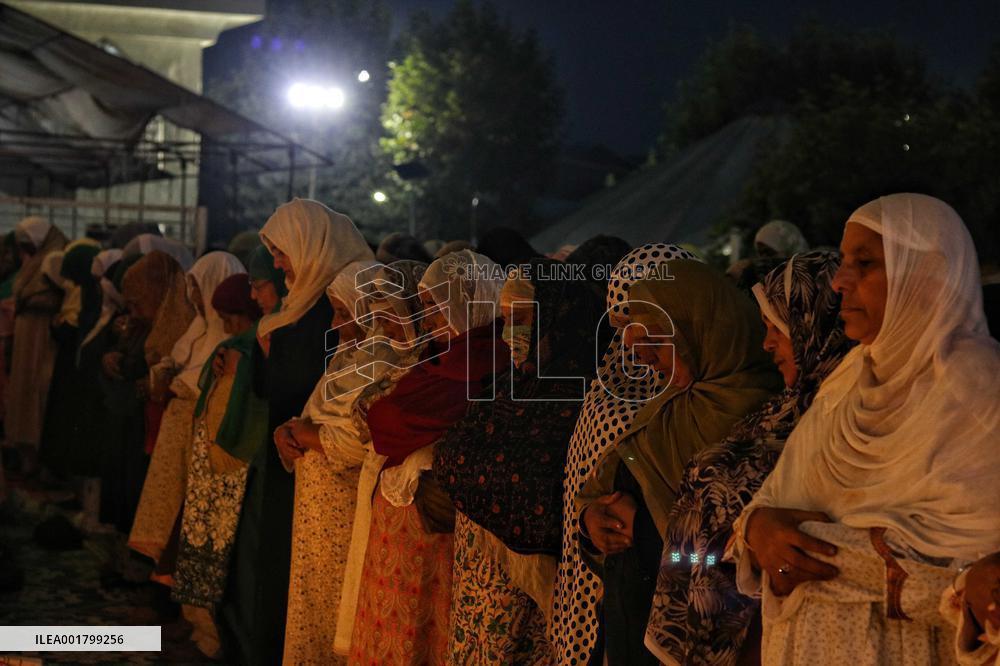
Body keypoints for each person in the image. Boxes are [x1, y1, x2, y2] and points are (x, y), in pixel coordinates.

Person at [731, 194, 1000, 664]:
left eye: (866, 263)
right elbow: (773, 502)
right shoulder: (850, 381)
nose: (839, 282)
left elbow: (980, 569)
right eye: (844, 263)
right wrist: (759, 528)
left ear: (928, 276)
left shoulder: (977, 390)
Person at [643, 251, 852, 665]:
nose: (767, 342)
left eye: (777, 327)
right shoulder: (780, 410)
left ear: (812, 323)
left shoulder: (845, 412)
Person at [576, 259, 782, 665]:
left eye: (655, 339)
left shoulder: (763, 417)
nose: (646, 358)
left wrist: (644, 533)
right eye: (637, 346)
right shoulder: (667, 406)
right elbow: (606, 481)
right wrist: (589, 521)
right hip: (631, 622)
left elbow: (732, 553)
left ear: (700, 326)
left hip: (693, 636)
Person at [220, 199, 373, 666]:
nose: (279, 262)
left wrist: (275, 344)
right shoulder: (300, 306)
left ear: (310, 246)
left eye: (282, 251)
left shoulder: (345, 302)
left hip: (326, 474)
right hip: (293, 467)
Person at [434, 257, 607, 664]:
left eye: (524, 319)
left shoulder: (577, 394)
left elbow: (538, 492)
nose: (510, 335)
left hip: (535, 609)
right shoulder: (511, 383)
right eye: (506, 320)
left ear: (559, 319)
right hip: (480, 595)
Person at [349, 251, 507, 665]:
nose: (433, 319)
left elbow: (391, 418)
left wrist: (387, 413)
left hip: (430, 532)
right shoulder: (442, 359)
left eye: (441, 306)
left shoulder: (486, 360)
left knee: (423, 636)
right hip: (400, 527)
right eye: (430, 308)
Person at [553, 243, 698, 666]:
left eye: (649, 326)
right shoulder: (617, 401)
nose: (637, 349)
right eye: (624, 327)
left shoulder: (701, 402)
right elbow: (591, 498)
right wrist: (590, 520)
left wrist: (643, 531)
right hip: (610, 603)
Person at [276, 258, 380, 664]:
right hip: (318, 521)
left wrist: (304, 434)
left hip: (345, 517)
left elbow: (358, 439)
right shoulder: (345, 360)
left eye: (343, 313)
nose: (336, 326)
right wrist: (287, 432)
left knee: (340, 614)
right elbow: (314, 416)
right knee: (313, 610)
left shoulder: (379, 365)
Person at [129, 251, 244, 574]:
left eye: (197, 286)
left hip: (198, 436)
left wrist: (175, 384)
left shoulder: (226, 334)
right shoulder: (200, 327)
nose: (192, 294)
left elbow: (201, 380)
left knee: (185, 515)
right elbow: (181, 360)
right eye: (191, 286)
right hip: (177, 432)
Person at [171, 273, 265, 658]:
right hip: (209, 461)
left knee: (225, 551)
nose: (229, 327)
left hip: (234, 463)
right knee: (201, 541)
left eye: (235, 317)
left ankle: (217, 637)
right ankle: (200, 626)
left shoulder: (258, 345)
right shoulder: (232, 346)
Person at [6, 216, 67, 464]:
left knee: (36, 388)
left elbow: (59, 297)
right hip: (28, 336)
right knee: (24, 389)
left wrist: (31, 303)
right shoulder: (35, 260)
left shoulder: (55, 259)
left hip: (41, 337)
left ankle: (36, 456)